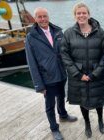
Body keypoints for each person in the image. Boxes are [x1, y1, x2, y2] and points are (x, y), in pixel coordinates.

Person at [25, 7, 77, 140]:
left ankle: (63, 115)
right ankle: (54, 128)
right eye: (39, 17)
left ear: (48, 17)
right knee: (49, 104)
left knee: (61, 96)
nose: (42, 19)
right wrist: (39, 85)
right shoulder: (31, 37)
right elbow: (32, 63)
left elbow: (66, 52)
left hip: (61, 73)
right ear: (35, 19)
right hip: (46, 77)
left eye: (44, 16)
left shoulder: (58, 31)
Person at [60, 3, 104, 138]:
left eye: (83, 13)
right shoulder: (68, 33)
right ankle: (87, 123)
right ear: (75, 15)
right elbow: (64, 54)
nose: (81, 15)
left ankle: (100, 120)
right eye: (78, 13)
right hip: (78, 76)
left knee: (98, 99)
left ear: (88, 14)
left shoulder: (100, 32)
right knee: (82, 100)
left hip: (96, 75)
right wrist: (77, 74)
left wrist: (95, 73)